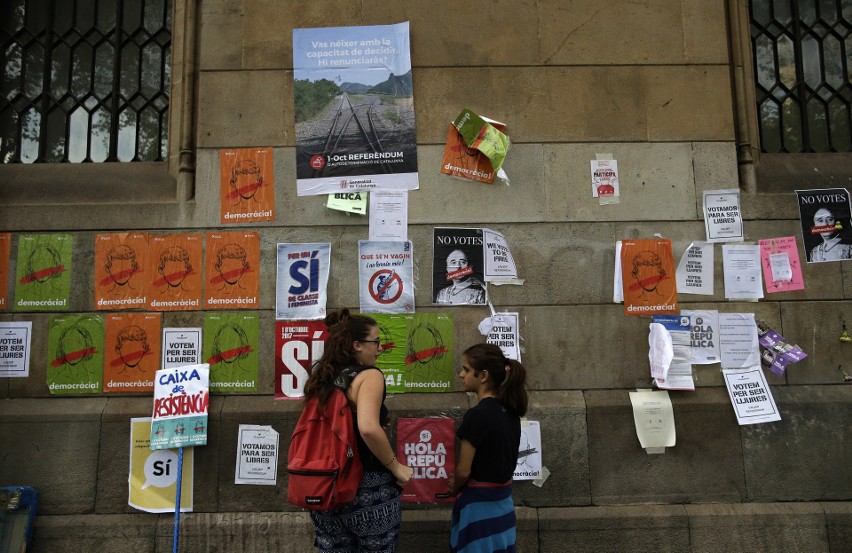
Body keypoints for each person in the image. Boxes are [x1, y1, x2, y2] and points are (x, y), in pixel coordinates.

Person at [304, 309, 414, 552]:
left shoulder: (323, 377)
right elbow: (367, 428)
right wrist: (397, 467)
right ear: (357, 346)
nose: (379, 348)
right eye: (375, 342)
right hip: (367, 489)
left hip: (325, 489)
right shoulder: (369, 376)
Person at [447, 343, 528, 553]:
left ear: (483, 376)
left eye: (465, 369)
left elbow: (464, 470)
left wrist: (454, 486)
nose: (461, 374)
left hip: (478, 510)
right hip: (503, 506)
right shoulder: (510, 412)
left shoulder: (476, 416)